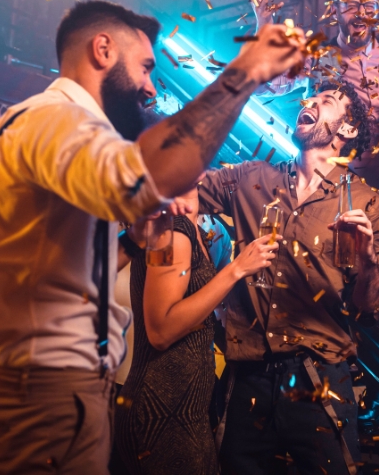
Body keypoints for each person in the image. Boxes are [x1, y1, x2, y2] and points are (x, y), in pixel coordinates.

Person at [0, 0, 306, 474]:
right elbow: (152, 173)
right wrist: (246, 71)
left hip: (54, 392)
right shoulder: (53, 118)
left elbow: (72, 265)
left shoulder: (51, 124)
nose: (150, 86)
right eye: (144, 67)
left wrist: (137, 239)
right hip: (36, 396)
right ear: (102, 49)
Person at [198, 80, 379, 475]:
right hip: (248, 375)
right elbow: (180, 190)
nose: (310, 102)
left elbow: (371, 309)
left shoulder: (368, 202)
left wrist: (368, 258)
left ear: (347, 129)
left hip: (319, 378)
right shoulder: (251, 177)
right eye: (310, 97)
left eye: (326, 100)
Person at [114, 184, 278, 474]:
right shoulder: (172, 232)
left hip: (187, 408)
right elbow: (161, 331)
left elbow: (204, 311)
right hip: (162, 409)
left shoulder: (201, 232)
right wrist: (236, 269)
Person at [249, 0, 379, 180]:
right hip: (332, 179)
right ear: (335, 11)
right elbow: (260, 86)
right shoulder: (317, 57)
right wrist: (263, 27)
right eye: (351, 5)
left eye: (368, 5)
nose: (360, 13)